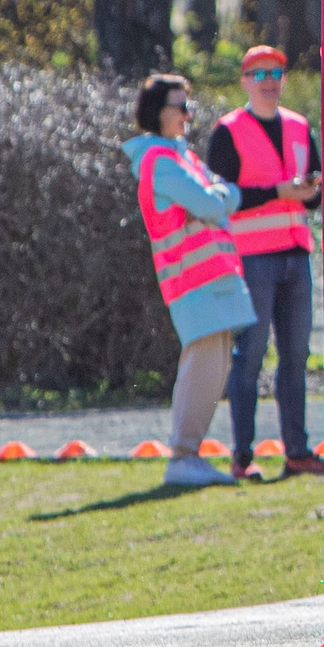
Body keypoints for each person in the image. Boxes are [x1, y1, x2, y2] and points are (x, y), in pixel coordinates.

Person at [122, 74, 256, 490]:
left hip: (213, 279)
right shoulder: (160, 161)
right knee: (202, 370)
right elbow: (210, 202)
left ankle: (189, 456)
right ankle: (182, 457)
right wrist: (217, 198)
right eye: (180, 106)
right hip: (192, 281)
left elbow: (225, 197)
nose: (187, 114)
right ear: (157, 113)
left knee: (215, 368)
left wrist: (217, 198)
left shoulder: (184, 158)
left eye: (188, 105)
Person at [205, 45, 322, 481]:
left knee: (296, 356)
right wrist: (278, 192)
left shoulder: (299, 125)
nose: (269, 80)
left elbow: (314, 192)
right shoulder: (228, 131)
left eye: (275, 72)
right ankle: (242, 457)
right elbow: (221, 198)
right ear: (244, 81)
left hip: (296, 253)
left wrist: (311, 190)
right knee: (249, 356)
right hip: (252, 257)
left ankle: (297, 452)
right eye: (259, 74)